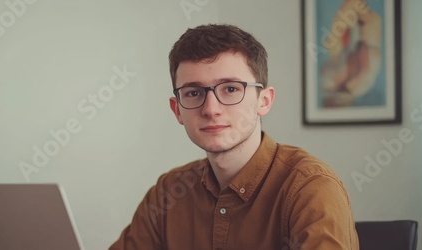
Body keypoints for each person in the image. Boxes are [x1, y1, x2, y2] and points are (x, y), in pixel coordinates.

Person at [109, 24, 359, 249]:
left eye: (230, 89)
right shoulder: (169, 192)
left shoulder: (310, 187)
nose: (210, 109)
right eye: (194, 93)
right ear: (178, 110)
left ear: (264, 101)